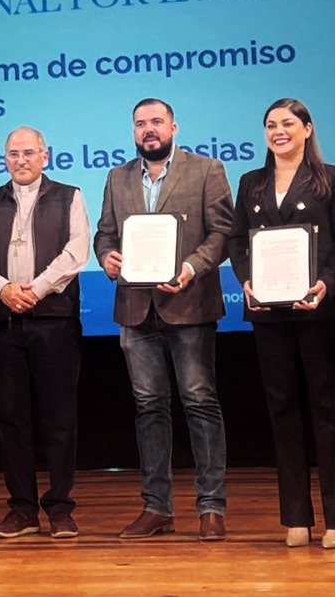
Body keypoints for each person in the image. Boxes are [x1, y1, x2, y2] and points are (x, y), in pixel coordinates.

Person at [226, 98, 335, 549]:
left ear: (307, 128)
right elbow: (236, 240)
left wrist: (328, 282)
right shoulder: (251, 182)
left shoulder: (332, 178)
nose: (278, 131)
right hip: (269, 313)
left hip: (318, 309)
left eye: (287, 123)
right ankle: (296, 517)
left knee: (329, 408)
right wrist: (246, 280)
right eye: (271, 125)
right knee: (282, 409)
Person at [94, 98, 235, 542]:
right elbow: (105, 233)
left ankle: (211, 508)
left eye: (156, 122)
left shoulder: (207, 170)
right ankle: (157, 508)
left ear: (174, 126)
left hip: (190, 302)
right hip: (135, 309)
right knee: (149, 407)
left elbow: (223, 232)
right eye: (140, 124)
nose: (148, 130)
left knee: (199, 402)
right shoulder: (117, 177)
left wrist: (190, 267)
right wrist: (106, 257)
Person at [0, 126, 90, 540]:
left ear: (45, 156)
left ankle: (60, 507)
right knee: (10, 417)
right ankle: (22, 509)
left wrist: (36, 290)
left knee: (59, 416)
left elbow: (76, 251)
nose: (20, 160)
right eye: (13, 154)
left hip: (54, 320)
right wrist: (3, 289)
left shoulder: (69, 196)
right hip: (3, 323)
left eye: (28, 152)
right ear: (5, 159)